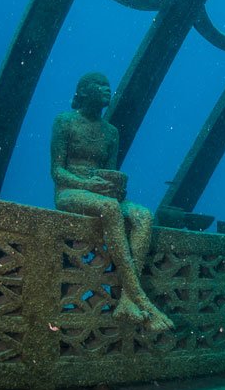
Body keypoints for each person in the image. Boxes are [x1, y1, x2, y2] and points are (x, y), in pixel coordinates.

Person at [51, 72, 174, 332]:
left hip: (101, 193)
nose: (107, 89)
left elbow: (110, 171)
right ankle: (142, 298)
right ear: (84, 91)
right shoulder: (64, 122)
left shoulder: (111, 132)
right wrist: (87, 184)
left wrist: (115, 187)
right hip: (70, 191)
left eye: (108, 85)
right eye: (100, 85)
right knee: (109, 208)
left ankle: (128, 300)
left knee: (143, 216)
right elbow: (57, 172)